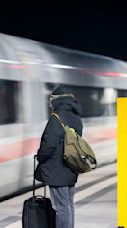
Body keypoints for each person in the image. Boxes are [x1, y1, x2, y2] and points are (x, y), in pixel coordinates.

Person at [35, 86, 83, 228]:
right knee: (68, 204)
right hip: (70, 166)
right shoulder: (76, 117)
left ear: (56, 100)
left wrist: (40, 156)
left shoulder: (57, 117)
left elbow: (48, 144)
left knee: (61, 207)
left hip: (57, 169)